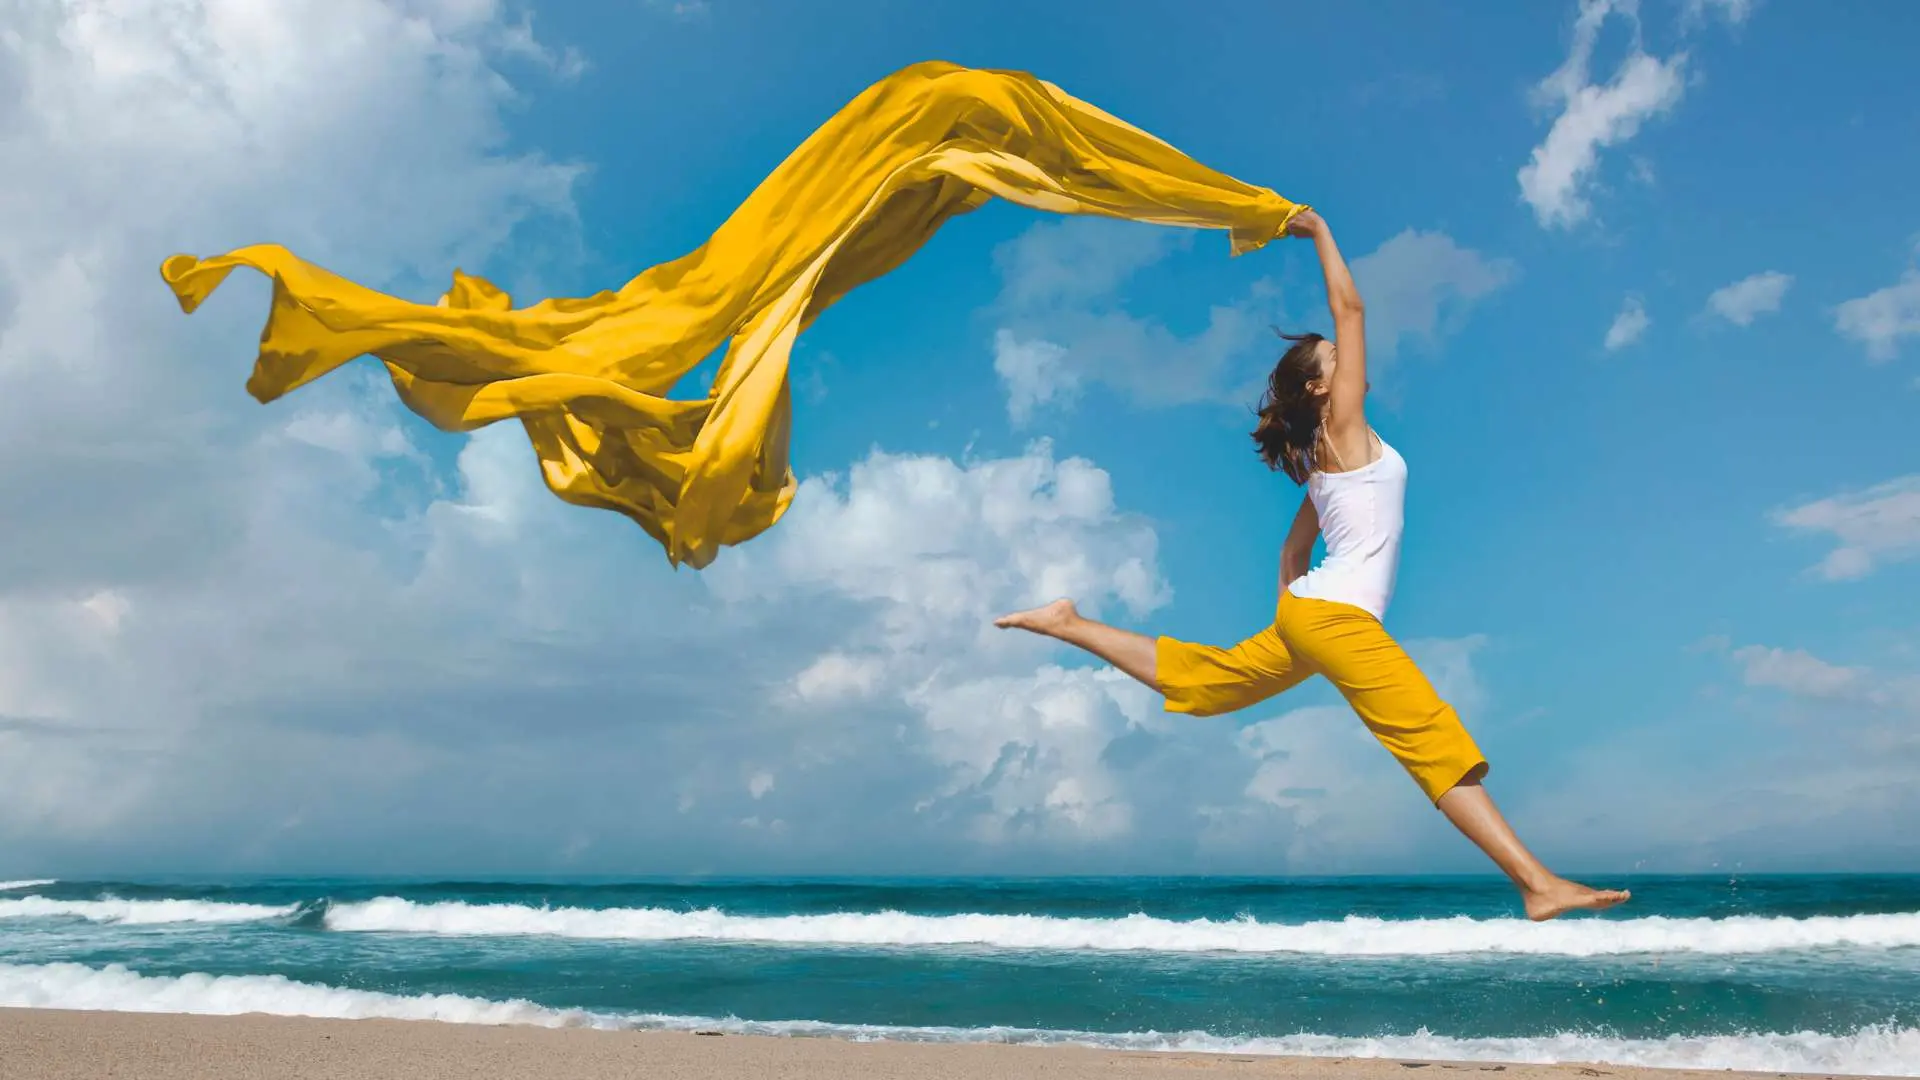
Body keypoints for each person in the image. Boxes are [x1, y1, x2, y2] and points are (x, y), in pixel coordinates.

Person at [994, 209, 1629, 921]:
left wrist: (1292, 620)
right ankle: (1535, 884)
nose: (1347, 358)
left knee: (1210, 682)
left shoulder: (1328, 465)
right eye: (1335, 359)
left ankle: (1070, 623)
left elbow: (1294, 550)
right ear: (1324, 389)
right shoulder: (1343, 428)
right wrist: (1321, 229)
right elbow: (1350, 306)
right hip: (1333, 616)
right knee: (1428, 735)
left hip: (1314, 613)